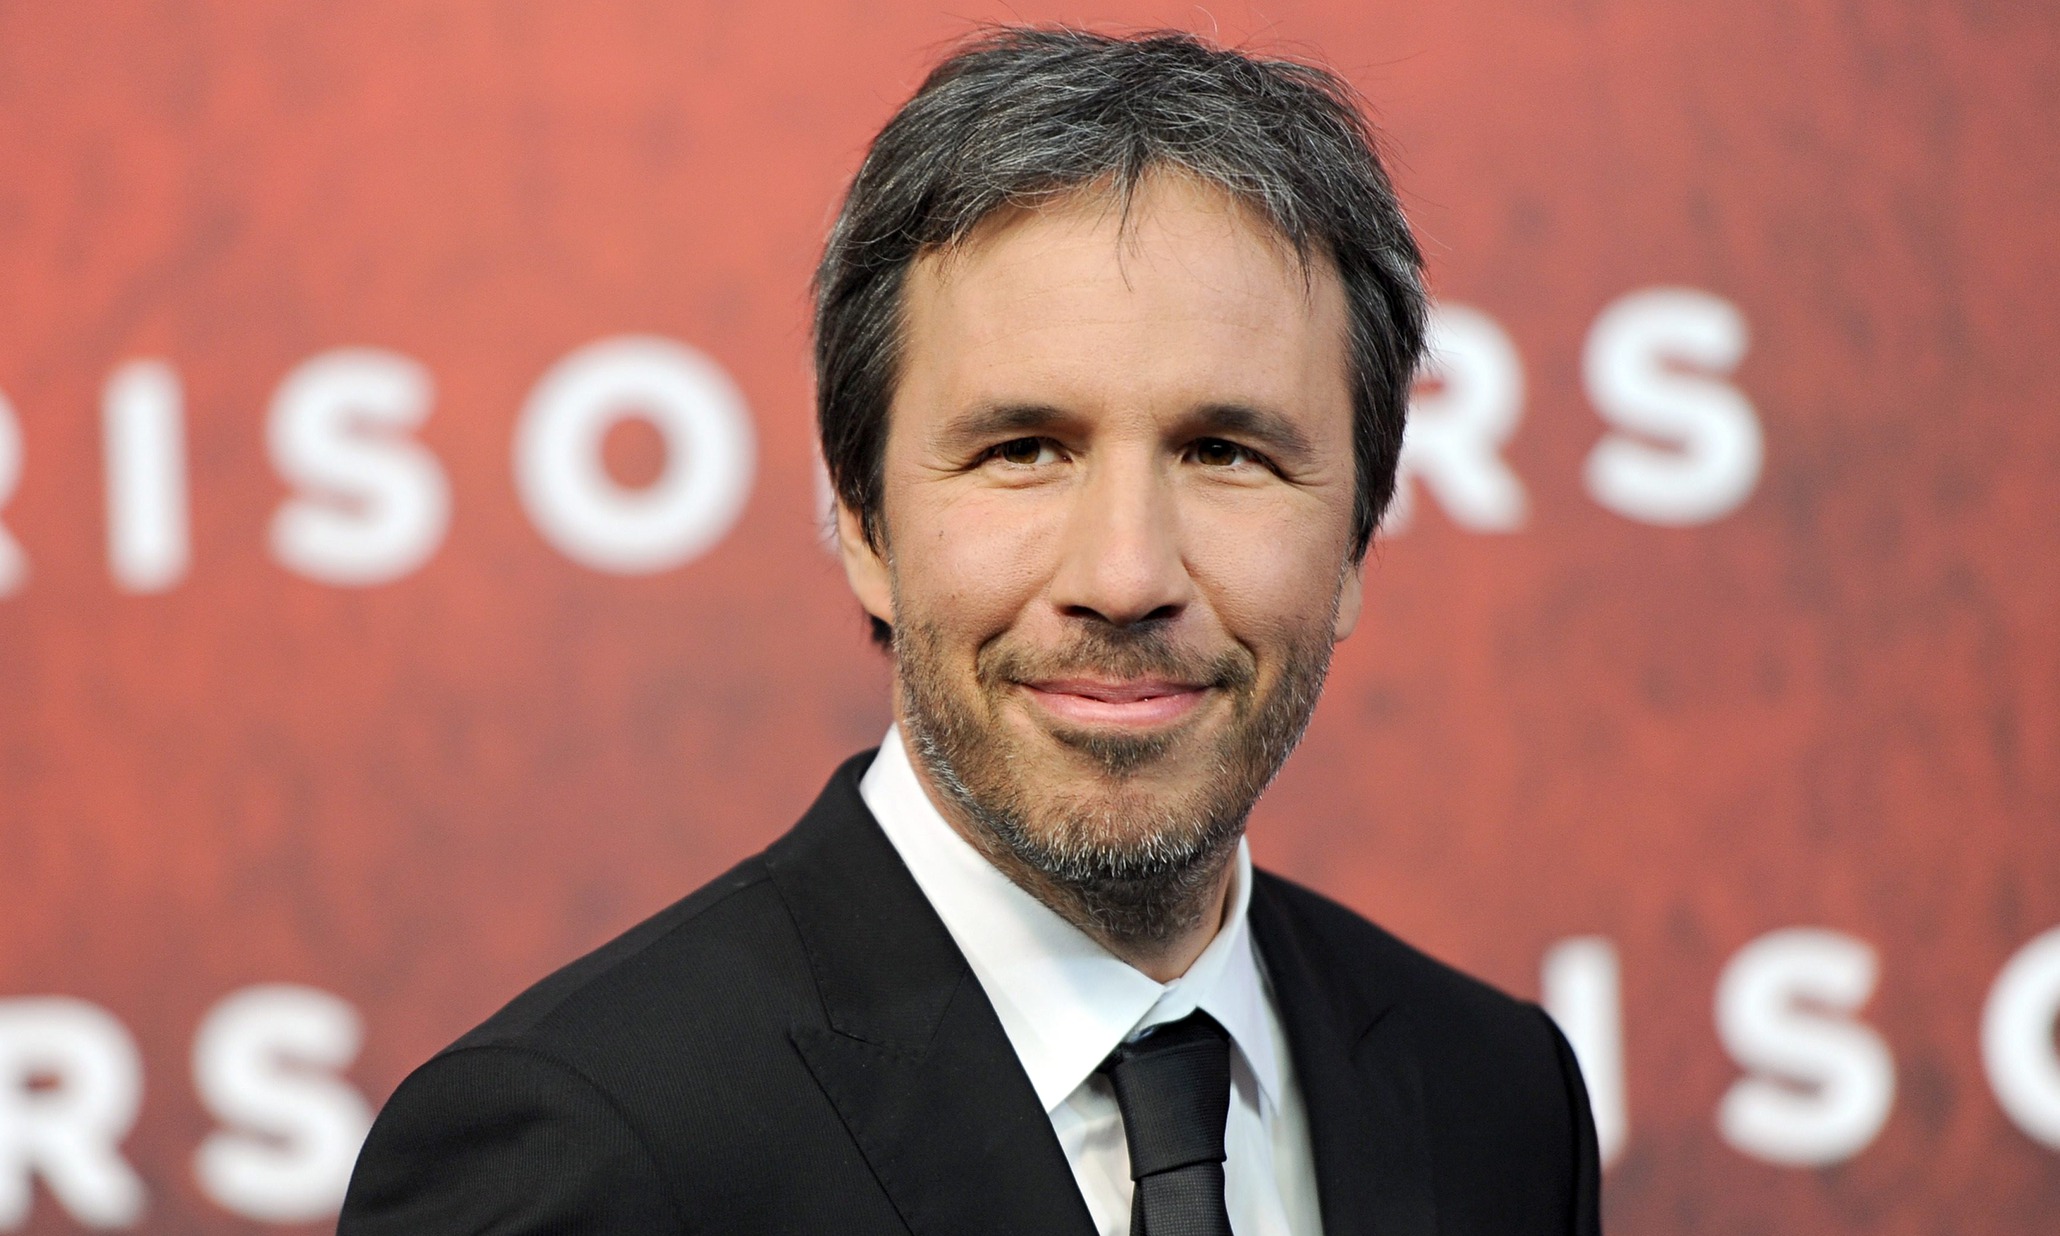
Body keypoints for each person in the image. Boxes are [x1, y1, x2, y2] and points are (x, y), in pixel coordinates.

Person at [340, 27, 1602, 1236]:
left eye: (1224, 453)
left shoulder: (1496, 1097)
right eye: (1022, 451)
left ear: (1356, 538)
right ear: (863, 522)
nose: (1124, 576)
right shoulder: (582, 1152)